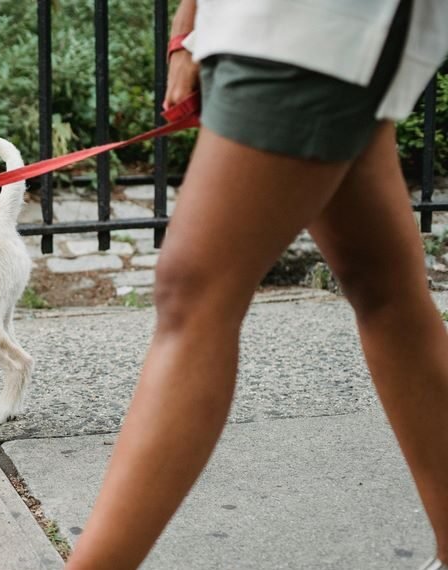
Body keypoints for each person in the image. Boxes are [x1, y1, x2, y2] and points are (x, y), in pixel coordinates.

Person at [65, 0, 448, 568]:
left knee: (192, 291)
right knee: (383, 290)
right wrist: (189, 23)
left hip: (306, 24)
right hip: (255, 22)